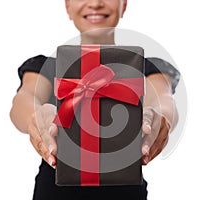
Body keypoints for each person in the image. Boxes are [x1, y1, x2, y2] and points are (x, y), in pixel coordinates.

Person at [10, 0, 180, 199]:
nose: (96, 3)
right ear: (68, 7)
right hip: (55, 192)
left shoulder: (147, 67)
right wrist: (36, 116)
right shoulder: (47, 66)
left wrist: (158, 117)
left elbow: (163, 99)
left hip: (125, 192)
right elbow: (24, 98)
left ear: (123, 5)